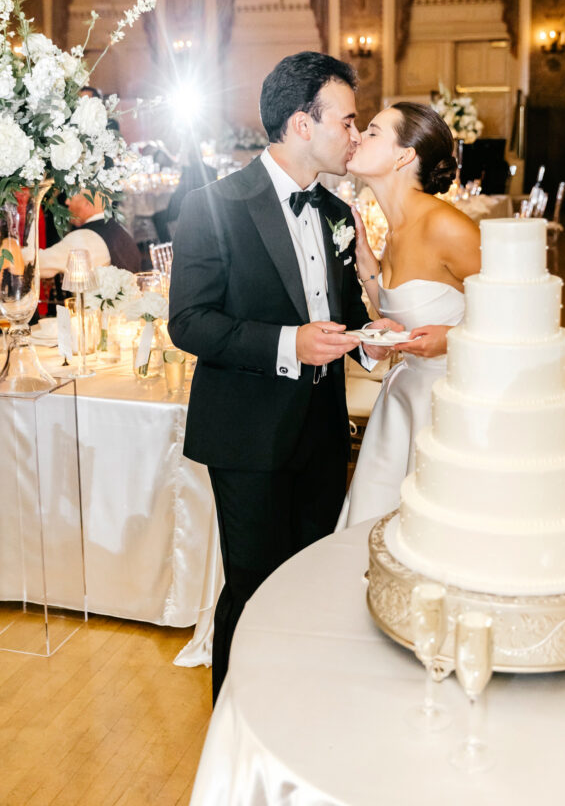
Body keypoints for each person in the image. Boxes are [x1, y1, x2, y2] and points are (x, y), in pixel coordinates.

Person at [168, 52, 395, 703]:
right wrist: (286, 343)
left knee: (308, 584)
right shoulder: (214, 205)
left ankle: (294, 713)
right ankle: (233, 729)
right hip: (246, 432)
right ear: (302, 124)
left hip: (322, 433)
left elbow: (343, 314)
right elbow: (189, 323)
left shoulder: (333, 210)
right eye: (346, 122)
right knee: (250, 585)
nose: (354, 135)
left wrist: (373, 344)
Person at [337, 102, 481, 528]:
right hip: (402, 397)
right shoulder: (396, 230)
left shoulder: (446, 227)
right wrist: (367, 264)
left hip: (449, 406)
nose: (359, 136)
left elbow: (521, 316)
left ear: (403, 156)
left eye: (374, 131)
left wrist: (451, 340)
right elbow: (396, 317)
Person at [40, 189, 141, 278]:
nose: (66, 202)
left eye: (71, 197)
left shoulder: (84, 237)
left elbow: (40, 264)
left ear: (87, 204)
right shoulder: (121, 230)